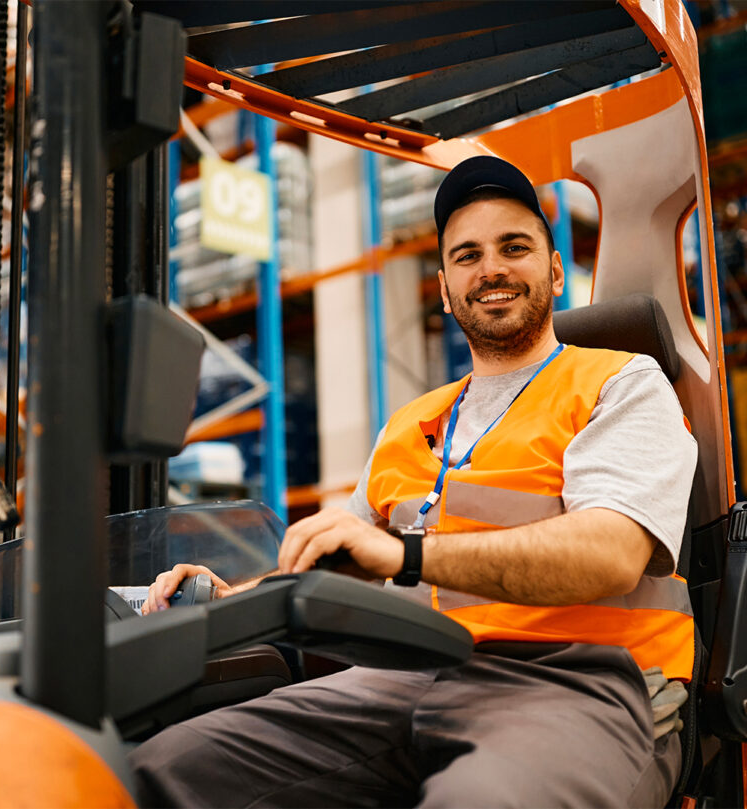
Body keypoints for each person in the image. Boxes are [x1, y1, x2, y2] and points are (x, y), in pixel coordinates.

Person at [130, 156, 697, 808]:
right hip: (407, 669)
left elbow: (612, 552)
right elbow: (341, 562)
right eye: (467, 255)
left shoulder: (618, 384)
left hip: (582, 681)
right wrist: (236, 598)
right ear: (447, 286)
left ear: (557, 269)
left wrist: (406, 554)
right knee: (165, 766)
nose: (491, 268)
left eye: (515, 247)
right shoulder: (410, 423)